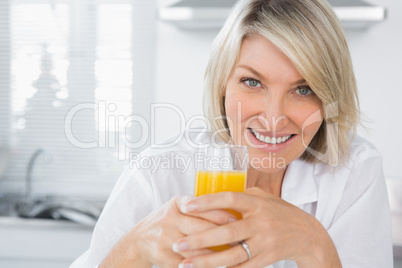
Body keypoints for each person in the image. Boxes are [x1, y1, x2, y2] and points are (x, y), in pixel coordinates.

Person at [71, 0, 393, 267]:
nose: (272, 118)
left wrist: (313, 243)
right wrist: (137, 245)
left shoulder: (355, 172)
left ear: (328, 98)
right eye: (252, 82)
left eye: (303, 89)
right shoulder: (160, 174)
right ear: (223, 84)